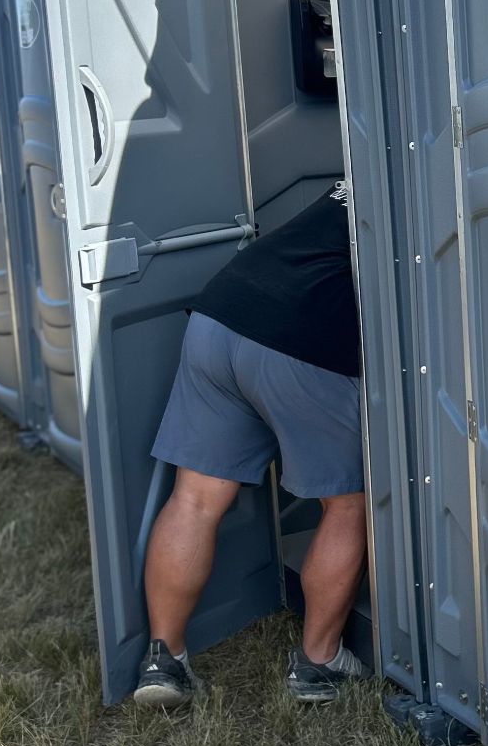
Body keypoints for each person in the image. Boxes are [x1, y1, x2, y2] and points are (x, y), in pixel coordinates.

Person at [133, 179, 368, 709]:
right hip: (296, 337)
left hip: (220, 316)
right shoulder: (427, 174)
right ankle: (320, 662)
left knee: (195, 499)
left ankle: (164, 661)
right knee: (348, 503)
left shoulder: (355, 174)